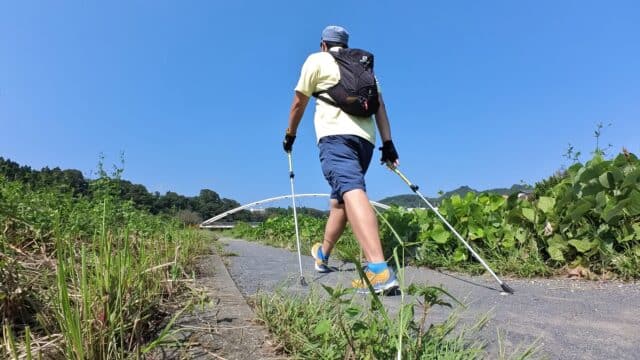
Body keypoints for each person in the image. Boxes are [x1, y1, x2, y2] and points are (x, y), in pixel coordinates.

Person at [282, 25, 400, 293]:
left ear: (324, 44)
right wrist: (388, 144)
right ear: (345, 46)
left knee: (351, 190)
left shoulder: (317, 60)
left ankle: (378, 270)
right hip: (366, 142)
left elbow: (298, 103)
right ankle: (323, 254)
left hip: (335, 137)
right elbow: (380, 109)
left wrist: (290, 135)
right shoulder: (364, 69)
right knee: (339, 201)